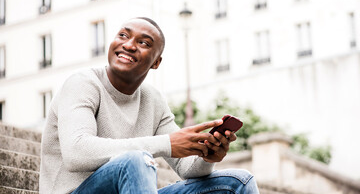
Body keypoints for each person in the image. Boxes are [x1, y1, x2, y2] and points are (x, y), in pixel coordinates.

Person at [39, 17, 259, 194]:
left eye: (143, 43)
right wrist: (165, 143)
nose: (128, 45)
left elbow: (185, 168)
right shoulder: (83, 83)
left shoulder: (152, 100)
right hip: (77, 191)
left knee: (239, 181)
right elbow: (77, 152)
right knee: (135, 160)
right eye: (123, 35)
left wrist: (206, 156)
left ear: (156, 62)